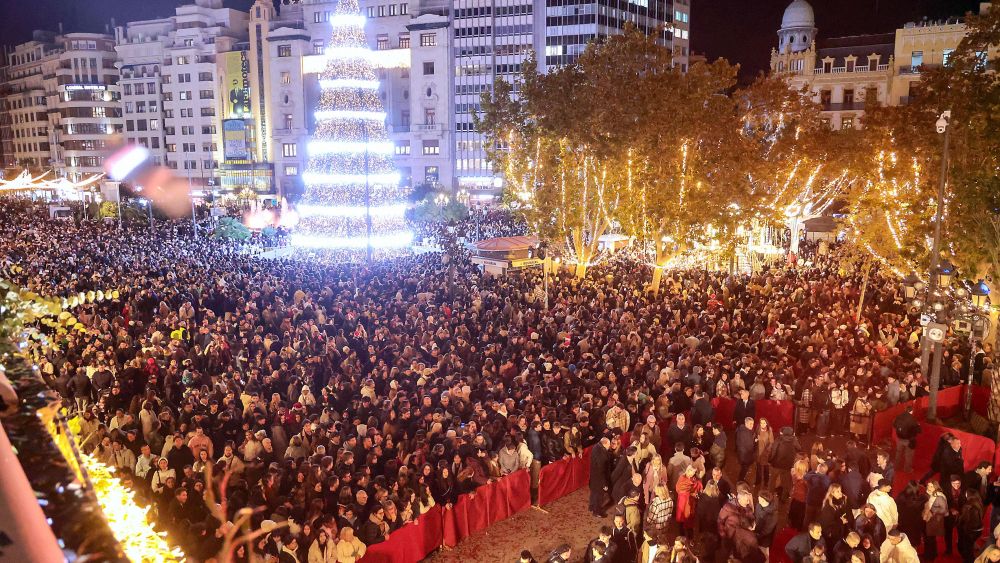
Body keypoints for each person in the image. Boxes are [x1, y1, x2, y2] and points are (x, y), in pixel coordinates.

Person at [895, 480, 927, 552]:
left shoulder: (902, 495)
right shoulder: (913, 497)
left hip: (907, 522)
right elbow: (915, 507)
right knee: (912, 541)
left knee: (908, 540)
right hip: (911, 522)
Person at [675, 465, 702, 537]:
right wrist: (690, 493)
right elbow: (679, 489)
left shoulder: (695, 479)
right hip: (683, 501)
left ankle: (690, 535)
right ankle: (682, 535)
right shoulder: (682, 478)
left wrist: (695, 493)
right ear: (688, 470)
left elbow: (699, 487)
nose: (692, 473)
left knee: (690, 518)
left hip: (691, 502)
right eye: (691, 471)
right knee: (681, 517)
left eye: (694, 472)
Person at [924, 480, 949, 560]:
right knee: (928, 537)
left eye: (931, 486)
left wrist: (933, 510)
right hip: (929, 519)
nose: (929, 488)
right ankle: (929, 553)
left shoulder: (939, 497)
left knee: (930, 538)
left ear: (936, 487)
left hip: (935, 520)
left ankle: (931, 556)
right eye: (928, 486)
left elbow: (944, 509)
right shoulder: (928, 494)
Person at [958, 490, 985, 563]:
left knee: (967, 549)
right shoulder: (979, 503)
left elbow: (965, 520)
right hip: (978, 529)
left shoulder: (968, 506)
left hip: (970, 531)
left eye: (966, 494)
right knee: (969, 547)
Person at [892, 406, 920, 473]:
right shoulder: (912, 419)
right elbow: (918, 430)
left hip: (899, 439)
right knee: (908, 455)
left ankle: (896, 467)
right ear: (911, 411)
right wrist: (918, 425)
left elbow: (894, 425)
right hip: (908, 440)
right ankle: (907, 469)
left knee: (898, 454)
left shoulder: (899, 416)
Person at [589, 437, 612, 517]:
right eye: (609, 444)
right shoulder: (602, 454)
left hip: (594, 477)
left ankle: (592, 507)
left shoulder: (596, 447)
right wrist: (604, 484)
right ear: (605, 444)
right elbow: (602, 471)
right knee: (599, 496)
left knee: (594, 493)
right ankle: (597, 512)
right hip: (599, 479)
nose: (609, 446)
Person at [755, 491, 778, 559]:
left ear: (764, 500)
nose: (758, 500)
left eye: (760, 499)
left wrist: (757, 535)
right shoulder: (759, 505)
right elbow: (756, 516)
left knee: (763, 555)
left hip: (765, 539)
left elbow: (768, 530)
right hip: (757, 533)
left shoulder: (773, 514)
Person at [736, 417, 757, 482]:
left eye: (753, 424)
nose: (752, 425)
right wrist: (755, 442)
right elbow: (750, 446)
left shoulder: (742, 429)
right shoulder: (745, 433)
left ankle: (741, 479)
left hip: (742, 454)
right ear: (746, 423)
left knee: (744, 468)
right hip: (745, 456)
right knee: (744, 469)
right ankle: (740, 481)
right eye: (750, 424)